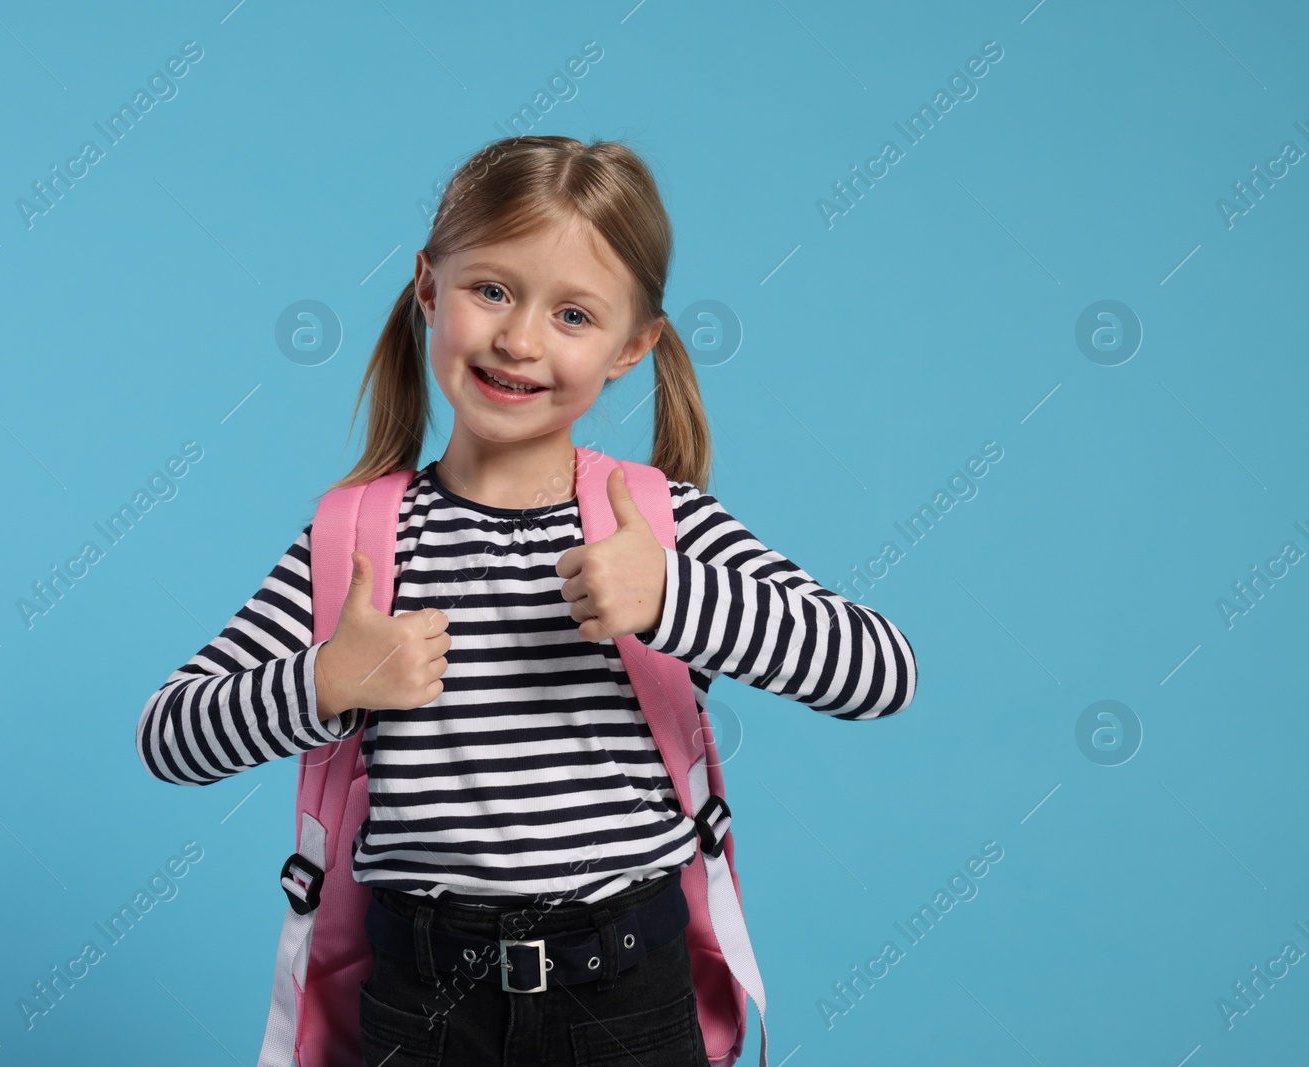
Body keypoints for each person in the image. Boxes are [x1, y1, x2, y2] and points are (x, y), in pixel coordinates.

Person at [136, 134, 918, 1066]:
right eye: (492, 290)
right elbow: (168, 736)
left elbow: (881, 671)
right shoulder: (356, 544)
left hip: (624, 997)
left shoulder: (657, 529)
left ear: (634, 346)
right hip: (421, 1005)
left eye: (575, 314)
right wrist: (327, 680)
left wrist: (675, 598)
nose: (519, 339)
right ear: (429, 288)